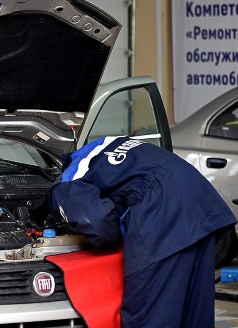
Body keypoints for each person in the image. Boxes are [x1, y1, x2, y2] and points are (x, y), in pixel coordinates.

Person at [50, 136, 236, 328]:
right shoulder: (107, 145)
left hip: (162, 214)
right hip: (203, 206)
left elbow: (97, 224)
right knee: (193, 314)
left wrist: (110, 238)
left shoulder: (69, 177)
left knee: (148, 315)